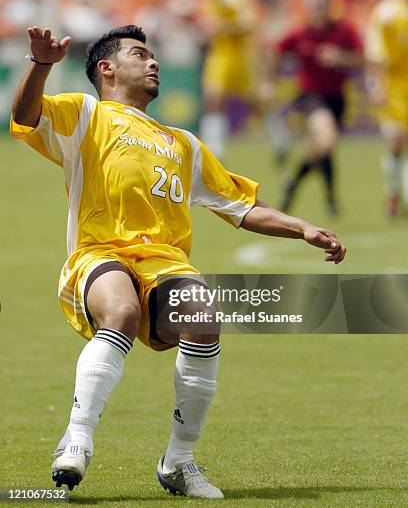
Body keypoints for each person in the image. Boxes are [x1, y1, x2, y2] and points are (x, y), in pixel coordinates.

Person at [10, 25, 346, 499]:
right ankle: (77, 439)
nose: (154, 62)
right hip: (99, 253)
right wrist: (41, 64)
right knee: (122, 312)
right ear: (107, 68)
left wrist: (303, 228)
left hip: (164, 263)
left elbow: (241, 207)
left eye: (154, 56)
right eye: (139, 54)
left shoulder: (182, 143)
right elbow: (25, 116)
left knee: (204, 318)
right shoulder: (85, 114)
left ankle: (179, 462)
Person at [266, 0, 363, 214]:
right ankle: (330, 198)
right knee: (326, 139)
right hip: (310, 98)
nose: (316, 10)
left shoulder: (344, 31)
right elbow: (276, 53)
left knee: (321, 148)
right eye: (312, 6)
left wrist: (340, 58)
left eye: (320, 5)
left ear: (329, 6)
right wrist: (268, 81)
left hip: (337, 98)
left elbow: (361, 59)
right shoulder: (299, 34)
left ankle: (294, 183)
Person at [365, 0, 408, 216]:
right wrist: (375, 85)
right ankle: (393, 193)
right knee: (396, 141)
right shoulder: (386, 13)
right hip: (393, 88)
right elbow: (374, 54)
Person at [199, 0, 257, 159]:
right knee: (212, 97)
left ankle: (280, 136)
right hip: (220, 54)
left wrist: (223, 27)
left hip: (240, 55)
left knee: (255, 101)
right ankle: (214, 148)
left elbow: (249, 23)